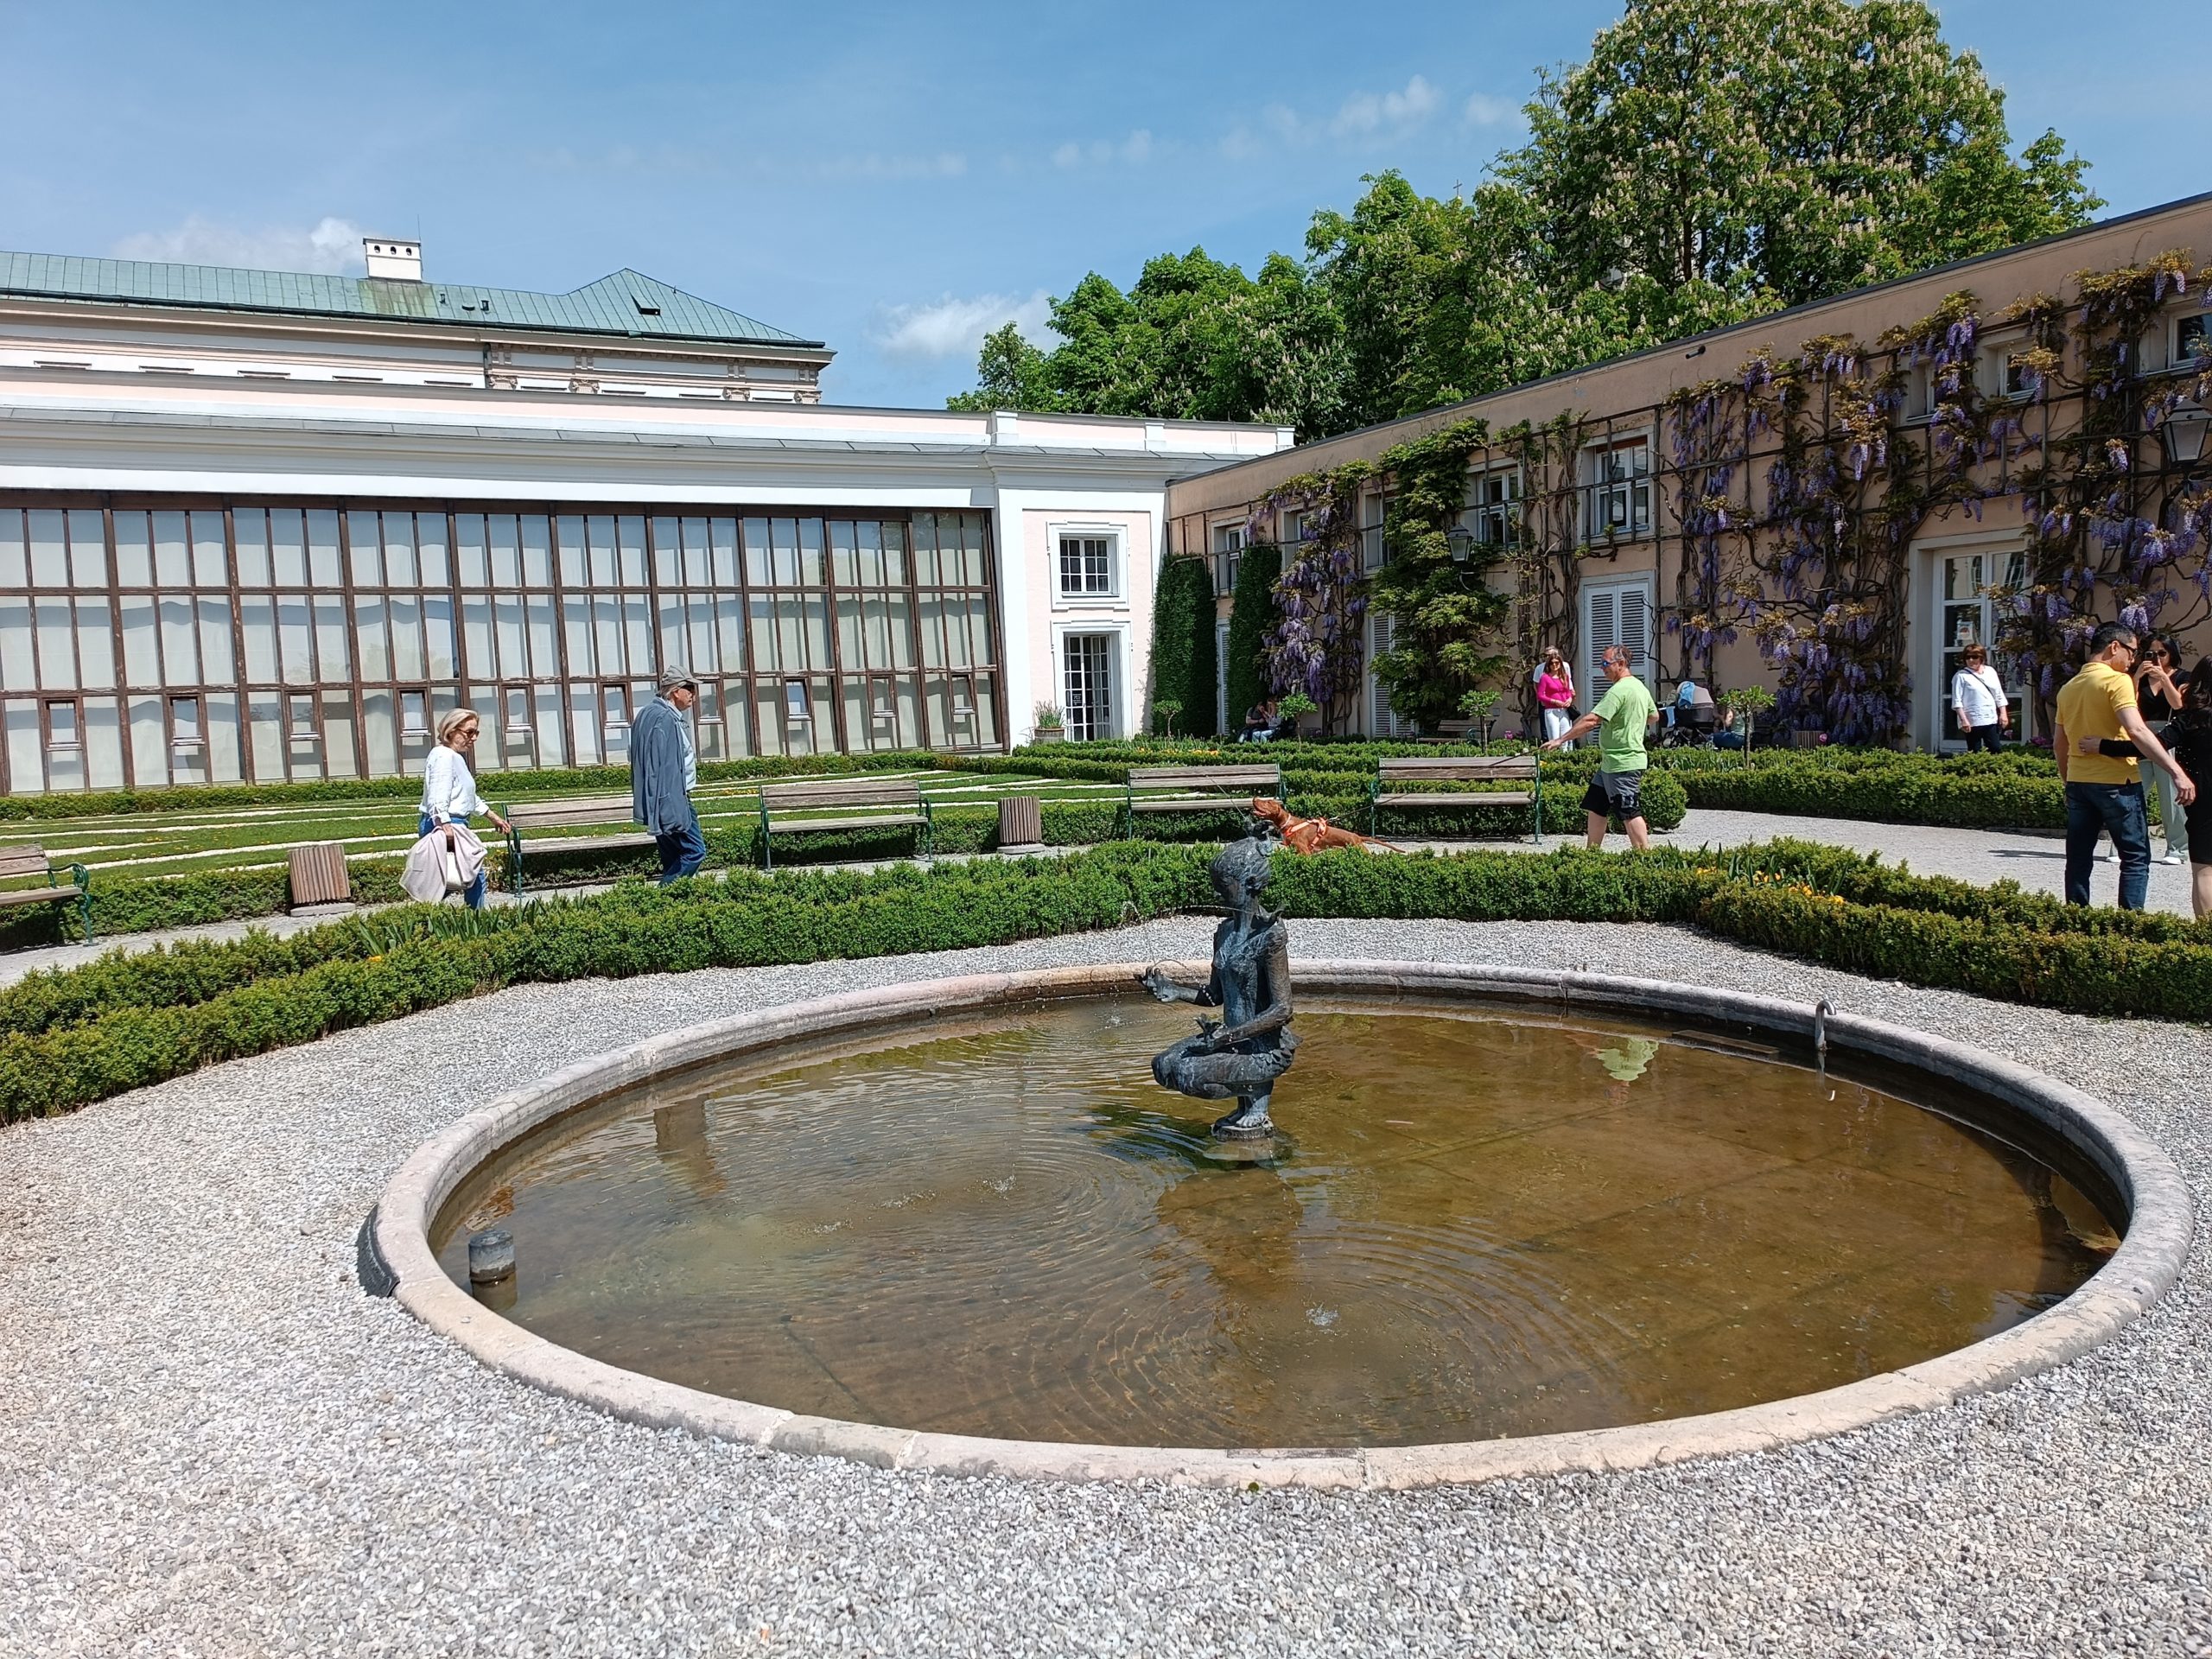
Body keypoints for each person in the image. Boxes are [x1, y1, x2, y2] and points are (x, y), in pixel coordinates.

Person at [2052, 623, 2196, 910]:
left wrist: (2069, 782)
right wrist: (2176, 771)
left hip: (2080, 782)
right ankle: (2128, 923)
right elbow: (2138, 730)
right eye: (2132, 652)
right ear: (2114, 647)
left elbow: (2059, 744)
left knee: (2078, 858)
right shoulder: (2117, 681)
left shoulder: (2069, 687)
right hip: (2118, 782)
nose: (2133, 659)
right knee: (2135, 858)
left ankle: (2075, 918)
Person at [2085, 654, 2212, 920]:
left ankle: (2205, 933)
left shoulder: (2191, 719)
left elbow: (2150, 747)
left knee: (2204, 871)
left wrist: (2103, 746)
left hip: (2203, 800)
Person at [1541, 644, 1657, 850]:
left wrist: (1560, 740)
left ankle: (1645, 857)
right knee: (1596, 806)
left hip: (1623, 762)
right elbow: (1654, 716)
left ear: (1621, 663)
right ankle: (1592, 852)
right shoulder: (1639, 687)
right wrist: (1629, 721)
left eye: (1605, 663)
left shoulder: (1618, 691)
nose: (1602, 668)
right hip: (1610, 764)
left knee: (1629, 811)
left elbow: (1592, 721)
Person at [416, 708, 508, 910]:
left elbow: (468, 797)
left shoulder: (454, 757)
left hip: (452, 823)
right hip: (445, 823)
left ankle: (424, 914)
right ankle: (474, 920)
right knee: (471, 875)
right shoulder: (443, 756)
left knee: (453, 877)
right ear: (451, 731)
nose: (473, 738)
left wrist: (493, 817)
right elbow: (437, 796)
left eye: (476, 732)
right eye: (469, 732)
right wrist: (445, 828)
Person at [631, 668, 706, 885]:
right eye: (689, 688)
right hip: (672, 799)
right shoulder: (663, 718)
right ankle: (664, 895)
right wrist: (667, 804)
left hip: (663, 799)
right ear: (675, 691)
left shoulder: (651, 713)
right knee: (695, 851)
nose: (693, 694)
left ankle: (672, 901)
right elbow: (659, 766)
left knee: (673, 856)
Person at [2134, 635, 2189, 864]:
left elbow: (2179, 704)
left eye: (2162, 653)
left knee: (2171, 795)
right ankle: (2123, 846)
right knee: (2133, 792)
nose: (2156, 658)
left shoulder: (2182, 677)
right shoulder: (2140, 677)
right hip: (2142, 734)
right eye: (2151, 653)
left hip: (2168, 735)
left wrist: (2164, 679)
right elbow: (2129, 704)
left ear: (2171, 654)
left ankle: (2177, 848)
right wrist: (2137, 677)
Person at [1949, 643, 2009, 753]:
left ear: (1982, 658)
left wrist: (2003, 714)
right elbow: (1957, 701)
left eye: (1975, 657)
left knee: (1995, 748)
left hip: (1990, 718)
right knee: (1975, 750)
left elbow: (1999, 694)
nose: (1971, 660)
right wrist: (1963, 720)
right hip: (1972, 720)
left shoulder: (1990, 671)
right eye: (1968, 657)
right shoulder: (1960, 676)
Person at [1535, 650, 1576, 749]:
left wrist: (1569, 699)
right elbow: (1540, 695)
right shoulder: (1545, 678)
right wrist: (1554, 701)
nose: (1554, 665)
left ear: (1560, 664)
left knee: (1565, 740)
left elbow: (1568, 691)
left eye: (1557, 663)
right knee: (1554, 739)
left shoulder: (1565, 677)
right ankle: (1553, 758)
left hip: (1564, 710)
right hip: (1551, 711)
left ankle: (1565, 757)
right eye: (1552, 663)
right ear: (1548, 665)